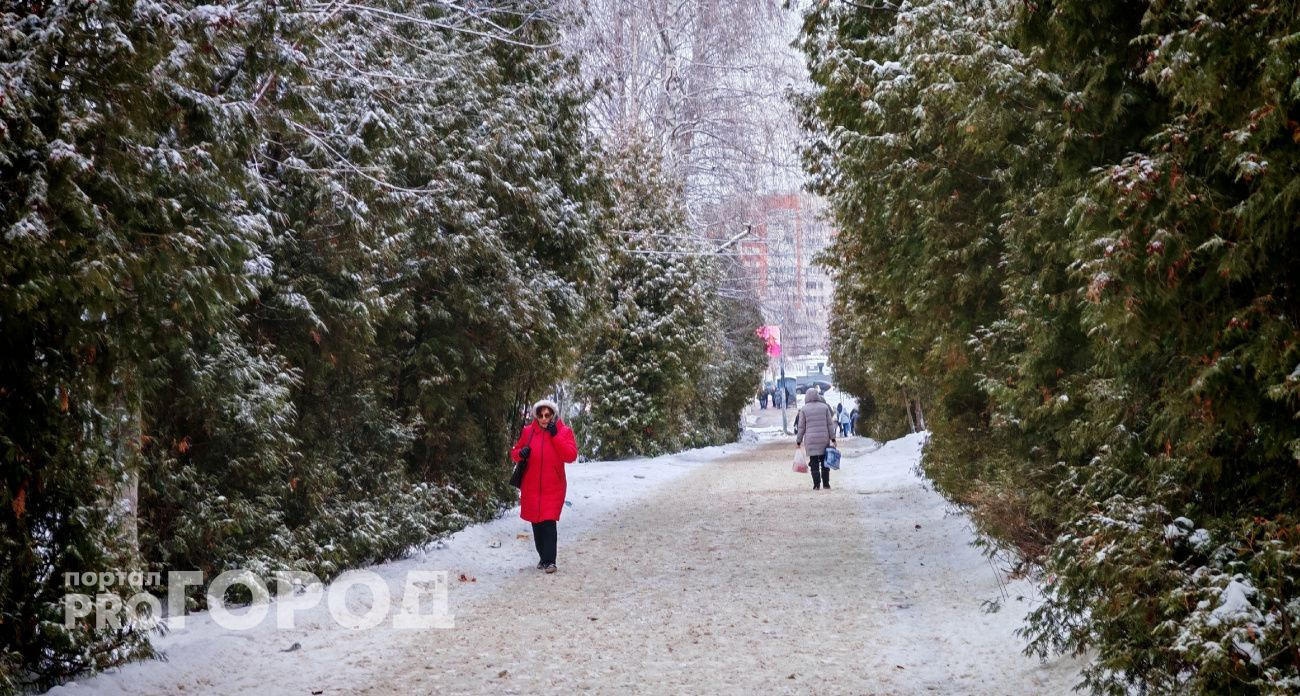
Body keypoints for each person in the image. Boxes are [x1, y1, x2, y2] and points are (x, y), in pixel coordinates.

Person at [509, 399, 578, 573]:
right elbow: (514, 453)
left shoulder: (563, 431)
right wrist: (521, 453)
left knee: (548, 521)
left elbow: (570, 455)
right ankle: (543, 558)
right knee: (536, 523)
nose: (544, 419)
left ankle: (550, 561)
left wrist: (555, 436)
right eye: (540, 415)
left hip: (553, 486)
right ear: (536, 416)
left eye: (547, 415)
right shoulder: (528, 432)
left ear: (553, 415)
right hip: (531, 486)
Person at [796, 387, 837, 490]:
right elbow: (830, 425)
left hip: (811, 440)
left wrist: (798, 441)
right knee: (824, 462)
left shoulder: (804, 409)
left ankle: (816, 484)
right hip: (824, 439)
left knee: (814, 462)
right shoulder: (824, 407)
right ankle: (826, 484)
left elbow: (801, 427)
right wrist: (833, 439)